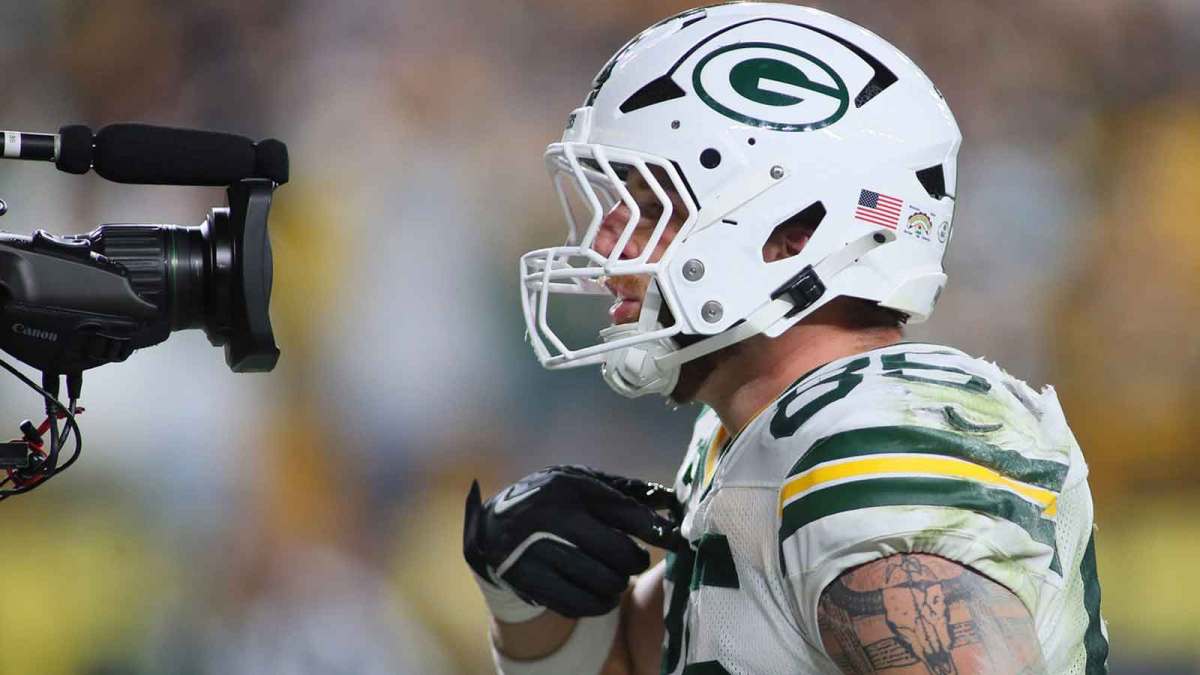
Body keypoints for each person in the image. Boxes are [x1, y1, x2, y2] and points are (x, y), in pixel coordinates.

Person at [463, 3, 1108, 673]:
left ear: (793, 233)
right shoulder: (758, 441)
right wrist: (524, 600)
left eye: (652, 207)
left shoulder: (874, 448)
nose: (605, 244)